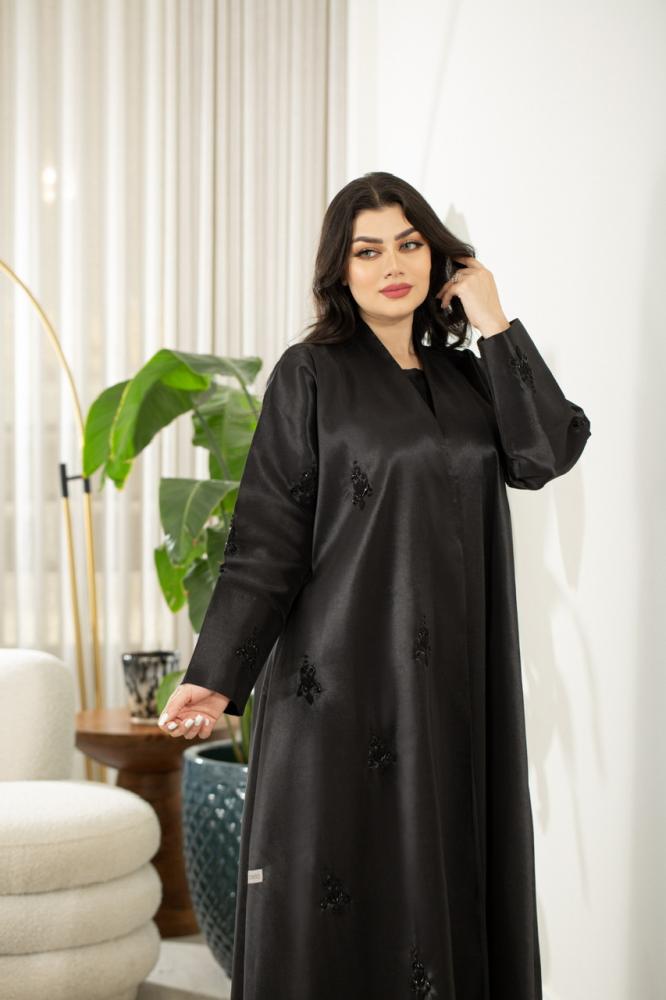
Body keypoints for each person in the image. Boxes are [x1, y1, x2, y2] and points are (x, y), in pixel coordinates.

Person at [159, 172, 591, 999]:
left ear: (438, 257)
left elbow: (544, 454)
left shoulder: (470, 378)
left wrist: (495, 322)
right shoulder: (311, 375)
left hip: (457, 685)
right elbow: (267, 540)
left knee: (449, 873)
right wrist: (216, 676)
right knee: (345, 888)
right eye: (368, 251)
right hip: (342, 684)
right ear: (340, 270)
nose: (392, 265)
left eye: (409, 244)